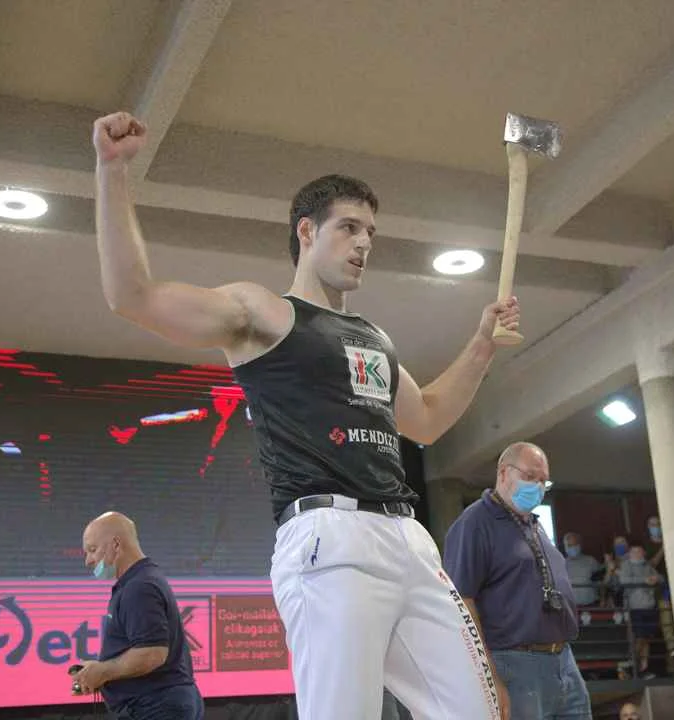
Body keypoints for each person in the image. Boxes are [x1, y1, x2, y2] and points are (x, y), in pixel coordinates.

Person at [92, 111, 520, 720]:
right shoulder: (263, 312)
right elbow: (132, 296)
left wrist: (480, 347)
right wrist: (112, 171)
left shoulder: (373, 337)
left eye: (370, 231)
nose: (364, 243)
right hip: (329, 538)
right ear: (307, 231)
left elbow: (424, 419)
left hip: (409, 540)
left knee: (479, 712)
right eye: (349, 227)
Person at [443, 442, 591, 720]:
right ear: (503, 473)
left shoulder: (533, 524)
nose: (537, 486)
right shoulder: (475, 522)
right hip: (514, 662)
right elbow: (461, 601)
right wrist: (489, 675)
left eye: (543, 481)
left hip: (563, 659)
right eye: (530, 476)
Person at [72, 512, 203, 719]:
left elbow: (152, 653)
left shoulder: (139, 587)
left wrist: (102, 672)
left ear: (116, 544)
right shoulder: (140, 581)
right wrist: (98, 670)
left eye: (92, 550)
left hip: (155, 707)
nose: (88, 560)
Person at [614, 544, 662, 679]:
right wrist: (645, 580)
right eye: (635, 552)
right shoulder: (626, 565)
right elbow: (624, 580)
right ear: (630, 553)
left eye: (640, 551)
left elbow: (660, 577)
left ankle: (643, 668)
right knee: (639, 636)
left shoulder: (647, 566)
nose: (638, 554)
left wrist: (656, 579)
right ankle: (631, 665)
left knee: (646, 638)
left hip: (649, 606)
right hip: (634, 607)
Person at [645, 515, 674, 675]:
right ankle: (671, 665)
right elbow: (651, 564)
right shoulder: (647, 546)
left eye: (658, 524)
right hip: (659, 593)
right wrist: (664, 548)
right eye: (652, 524)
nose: (656, 527)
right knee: (666, 627)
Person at [562, 532, 602, 606]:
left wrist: (603, 600)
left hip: (591, 605)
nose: (572, 547)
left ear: (580, 545)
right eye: (569, 545)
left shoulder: (591, 561)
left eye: (575, 544)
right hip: (571, 607)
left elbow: (601, 582)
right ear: (565, 547)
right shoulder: (562, 564)